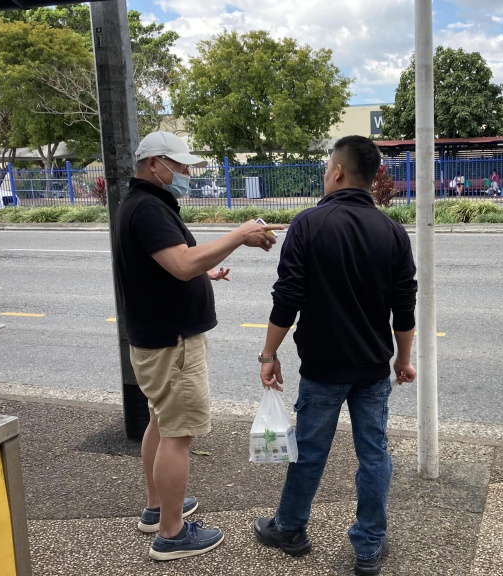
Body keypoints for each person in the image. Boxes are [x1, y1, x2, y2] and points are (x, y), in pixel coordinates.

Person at [252, 135, 418, 576]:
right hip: (373, 367)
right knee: (374, 453)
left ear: (339, 171)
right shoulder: (393, 232)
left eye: (327, 167)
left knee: (309, 450)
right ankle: (369, 546)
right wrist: (403, 360)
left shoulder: (308, 224)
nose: (326, 174)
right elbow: (404, 306)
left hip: (322, 367)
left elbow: (287, 298)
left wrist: (269, 354)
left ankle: (289, 528)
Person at [113, 131, 282, 562]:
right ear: (155, 164)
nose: (187, 172)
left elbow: (166, 264)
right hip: (173, 343)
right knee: (178, 434)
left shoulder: (143, 203)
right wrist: (239, 234)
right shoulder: (149, 208)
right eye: (181, 165)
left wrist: (207, 272)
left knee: (160, 422)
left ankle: (157, 508)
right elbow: (182, 262)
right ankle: (171, 533)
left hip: (157, 338)